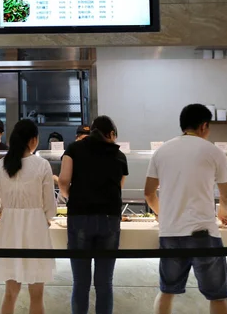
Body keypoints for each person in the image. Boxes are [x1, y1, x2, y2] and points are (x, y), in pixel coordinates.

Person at [144, 104, 227, 314]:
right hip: (203, 233)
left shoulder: (161, 151)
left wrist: (162, 214)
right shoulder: (214, 151)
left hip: (170, 233)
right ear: (204, 126)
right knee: (218, 296)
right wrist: (223, 212)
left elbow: (149, 193)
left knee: (167, 291)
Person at [57, 116, 128, 314]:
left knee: (80, 282)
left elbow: (63, 181)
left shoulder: (73, 149)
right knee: (105, 283)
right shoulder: (119, 155)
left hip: (79, 216)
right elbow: (118, 189)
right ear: (111, 134)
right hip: (109, 220)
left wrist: (74, 196)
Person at [0, 119, 56, 314]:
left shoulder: (1, 165)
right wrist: (46, 219)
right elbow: (50, 205)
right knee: (37, 295)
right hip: (36, 229)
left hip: (9, 228)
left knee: (10, 293)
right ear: (33, 140)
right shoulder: (42, 165)